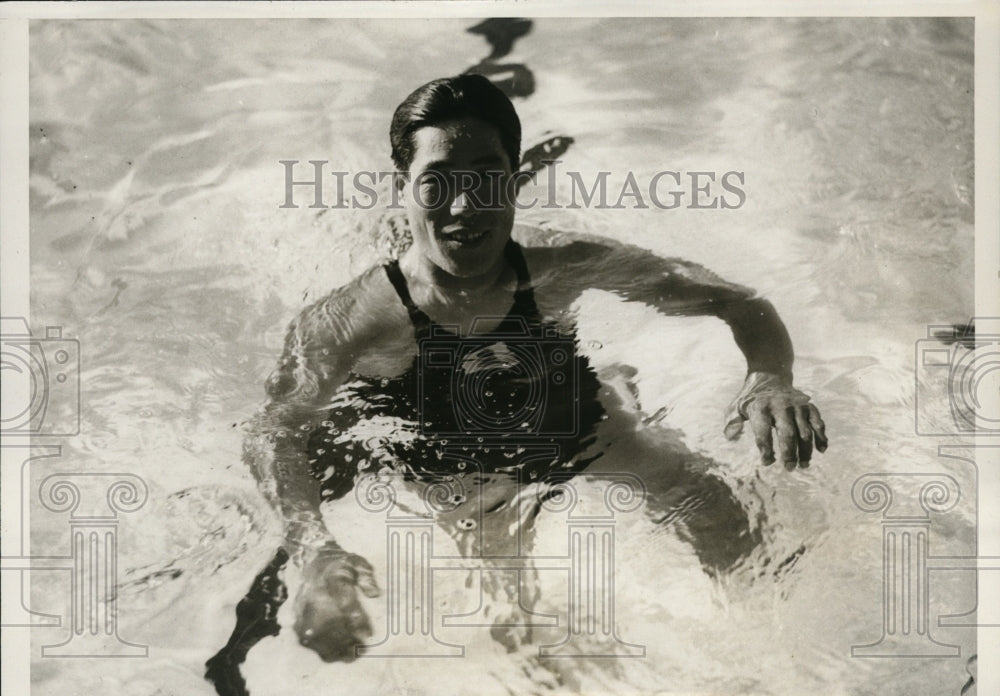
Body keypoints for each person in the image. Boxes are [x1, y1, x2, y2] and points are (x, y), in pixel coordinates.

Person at [244, 74, 827, 662]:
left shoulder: (562, 264)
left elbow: (737, 301)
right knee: (517, 622)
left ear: (516, 181)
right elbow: (275, 431)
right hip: (450, 459)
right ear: (403, 188)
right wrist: (313, 549)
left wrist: (769, 379)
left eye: (487, 179)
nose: (465, 208)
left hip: (573, 415)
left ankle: (781, 661)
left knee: (720, 515)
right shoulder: (355, 317)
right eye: (437, 184)